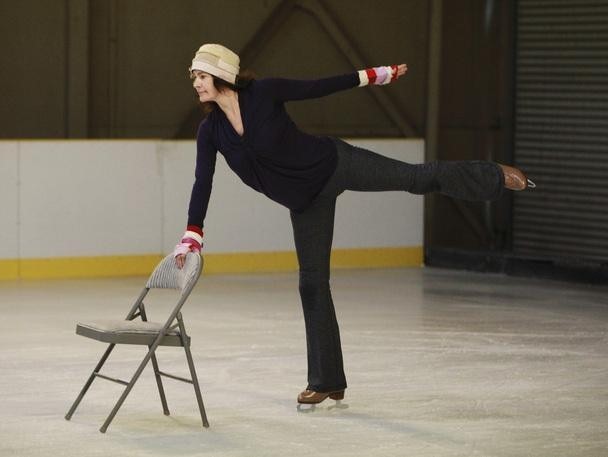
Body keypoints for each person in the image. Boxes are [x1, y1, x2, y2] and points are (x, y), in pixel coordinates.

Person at [174, 43, 533, 405]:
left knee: (414, 178)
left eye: (202, 76)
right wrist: (193, 233)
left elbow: (319, 87)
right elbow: (202, 181)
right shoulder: (211, 131)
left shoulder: (264, 93)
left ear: (222, 74)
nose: (196, 84)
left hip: (335, 163)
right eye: (195, 78)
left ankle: (492, 175)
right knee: (312, 286)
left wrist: (374, 75)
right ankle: (327, 381)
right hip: (306, 204)